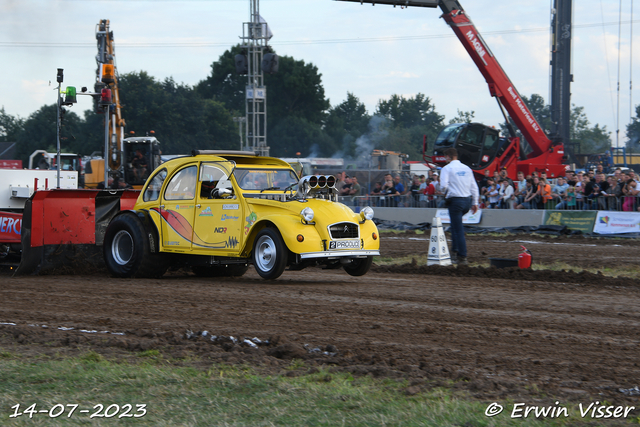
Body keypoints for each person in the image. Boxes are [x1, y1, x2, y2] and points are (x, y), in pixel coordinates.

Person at [440, 148, 479, 266]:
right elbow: (474, 187)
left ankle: (462, 256)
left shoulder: (447, 168)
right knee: (455, 226)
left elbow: (443, 186)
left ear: (448, 156)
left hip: (455, 201)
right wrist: (475, 202)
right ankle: (455, 251)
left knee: (458, 229)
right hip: (467, 201)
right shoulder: (467, 168)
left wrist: (444, 191)